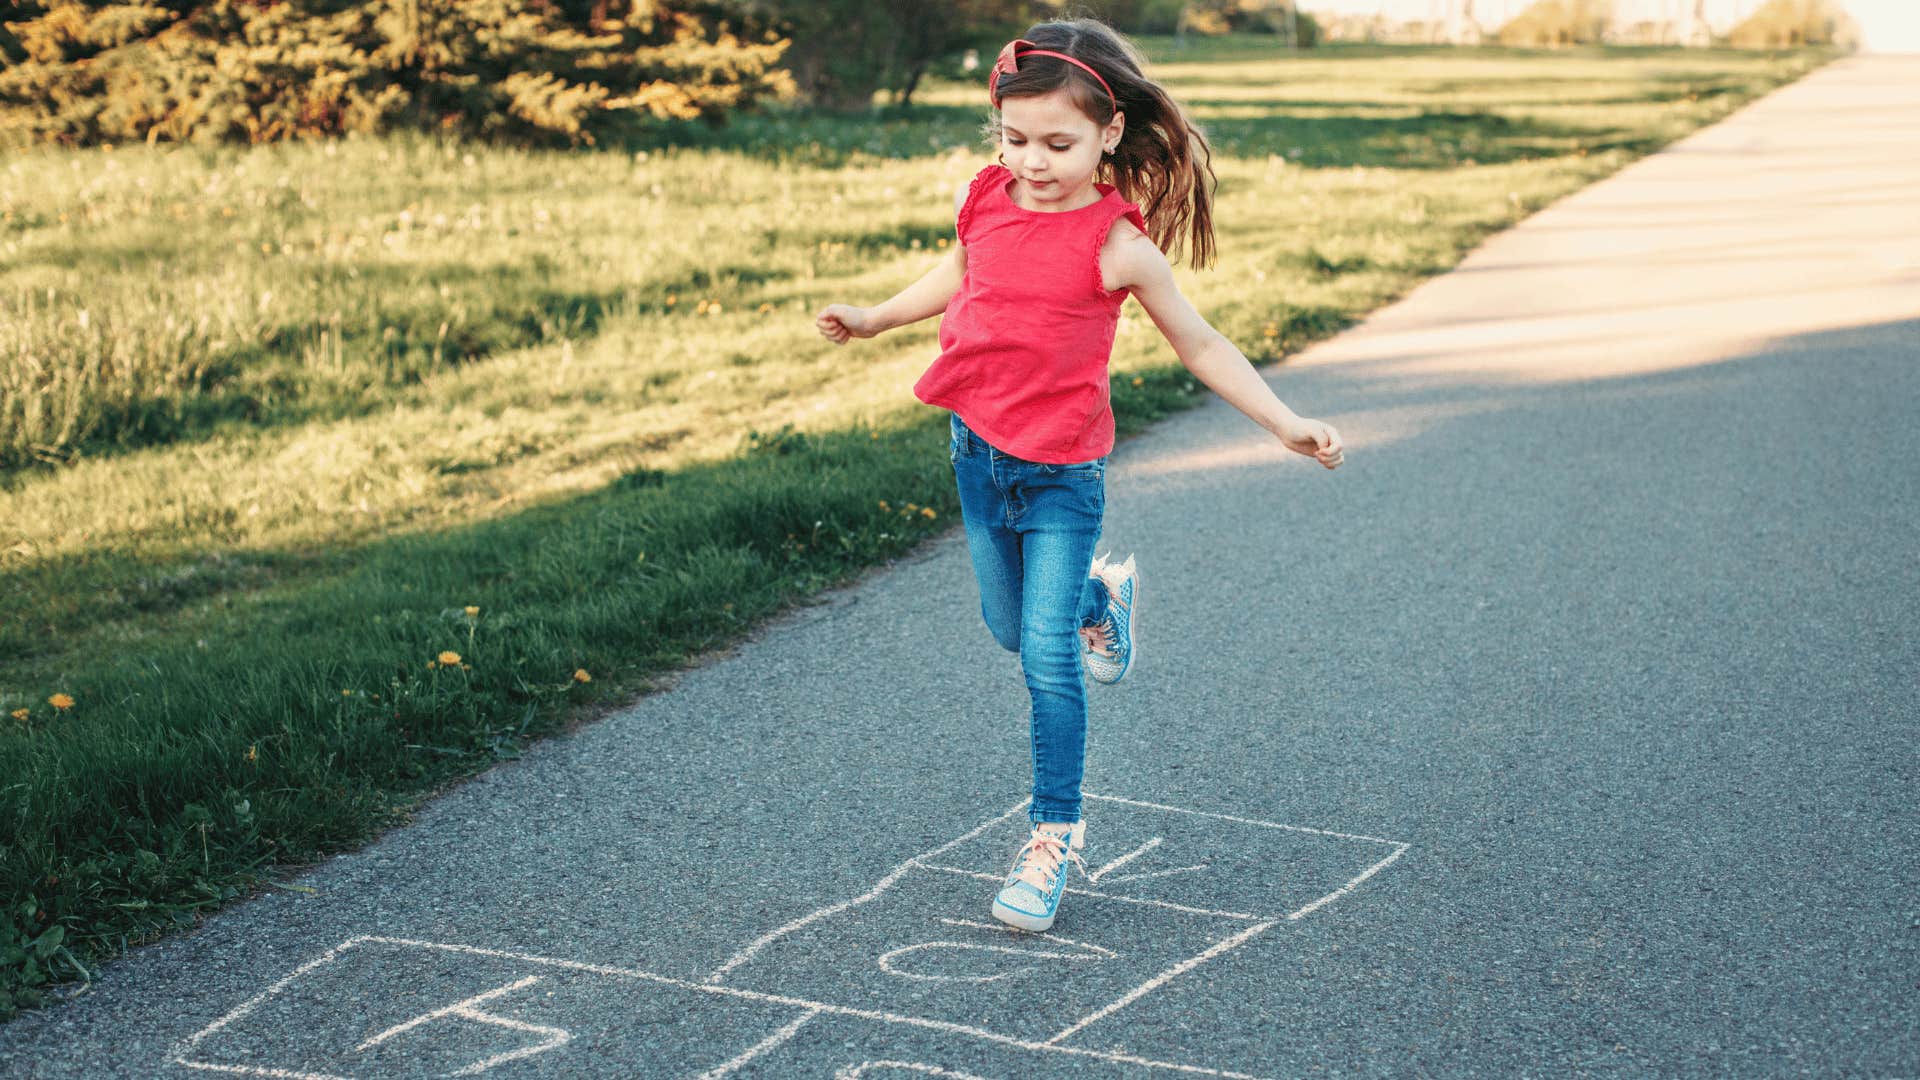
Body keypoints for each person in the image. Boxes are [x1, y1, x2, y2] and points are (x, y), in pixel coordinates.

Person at [813, 19, 1344, 933]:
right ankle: (1104, 603)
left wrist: (1285, 423)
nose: (1032, 162)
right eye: (1015, 140)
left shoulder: (1118, 244)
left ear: (1109, 135)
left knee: (1047, 662)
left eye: (1058, 144)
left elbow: (1200, 342)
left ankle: (1052, 837)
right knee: (1012, 631)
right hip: (976, 455)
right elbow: (958, 272)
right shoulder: (985, 198)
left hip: (1062, 475)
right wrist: (873, 318)